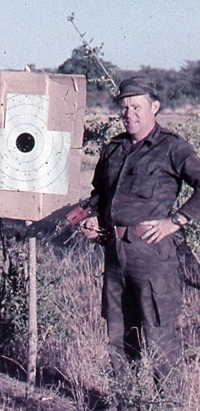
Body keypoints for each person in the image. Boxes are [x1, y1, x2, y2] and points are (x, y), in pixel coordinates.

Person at [80, 76, 200, 390]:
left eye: (137, 106)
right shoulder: (114, 148)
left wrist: (176, 221)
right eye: (124, 107)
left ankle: (166, 403)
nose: (129, 113)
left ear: (154, 107)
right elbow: (99, 194)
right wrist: (93, 217)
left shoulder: (172, 147)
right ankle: (125, 401)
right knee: (119, 337)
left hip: (152, 257)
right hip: (115, 256)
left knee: (159, 337)